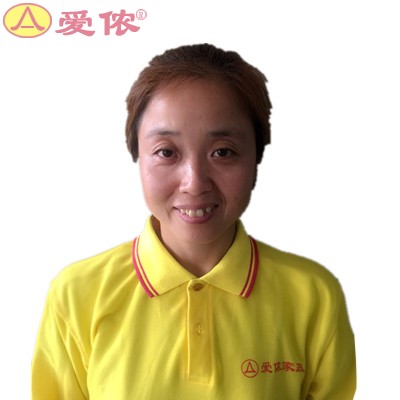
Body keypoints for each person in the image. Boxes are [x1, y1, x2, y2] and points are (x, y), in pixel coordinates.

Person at [31, 43, 356, 399]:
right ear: (137, 155)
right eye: (166, 152)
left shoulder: (313, 295)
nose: (195, 182)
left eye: (222, 152)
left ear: (257, 157)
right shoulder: (76, 294)